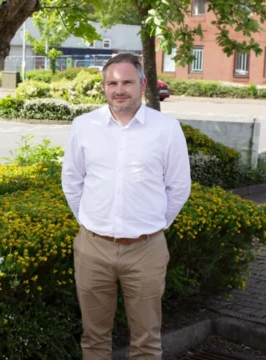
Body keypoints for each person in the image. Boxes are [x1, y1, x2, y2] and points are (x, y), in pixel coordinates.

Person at [61, 53, 191, 359]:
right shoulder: (84, 126)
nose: (120, 89)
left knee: (146, 341)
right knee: (94, 338)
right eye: (113, 83)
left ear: (143, 84)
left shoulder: (167, 129)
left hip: (146, 250)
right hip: (93, 248)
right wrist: (92, 221)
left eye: (127, 82)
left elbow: (179, 187)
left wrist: (152, 225)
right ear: (104, 86)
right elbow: (72, 180)